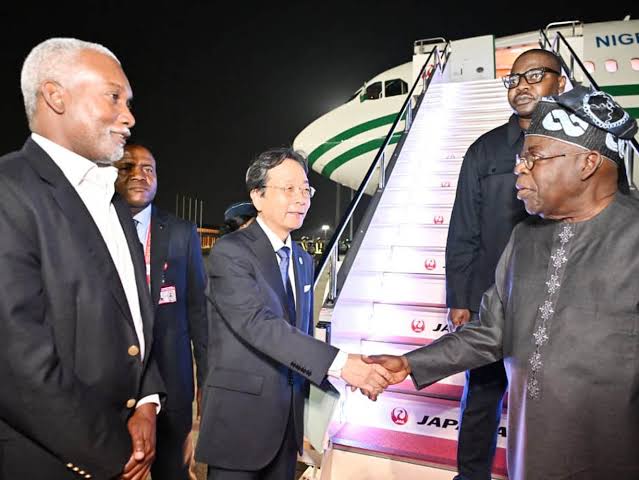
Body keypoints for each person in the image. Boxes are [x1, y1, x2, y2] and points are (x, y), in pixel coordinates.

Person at [366, 86, 639, 479]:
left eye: (533, 157)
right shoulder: (525, 237)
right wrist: (411, 363)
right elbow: (491, 332)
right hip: (530, 455)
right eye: (520, 158)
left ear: (588, 163)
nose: (519, 169)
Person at [0, 38, 164, 479]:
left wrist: (146, 403)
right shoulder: (8, 191)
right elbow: (18, 363)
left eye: (128, 102)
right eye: (114, 97)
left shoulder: (112, 200)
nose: (129, 117)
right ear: (56, 96)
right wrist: (115, 455)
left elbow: (134, 317)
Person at [196, 148, 392, 480]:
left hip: (286, 428)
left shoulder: (301, 259)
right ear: (258, 196)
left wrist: (347, 370)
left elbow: (297, 336)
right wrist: (342, 364)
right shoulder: (231, 252)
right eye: (288, 189)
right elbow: (258, 325)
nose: (301, 198)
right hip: (239, 426)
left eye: (305, 189)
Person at [444, 48, 565, 480]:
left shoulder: (584, 148)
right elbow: (463, 227)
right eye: (513, 79)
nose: (521, 86)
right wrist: (460, 298)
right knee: (481, 397)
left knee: (553, 404)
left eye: (534, 75)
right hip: (492, 302)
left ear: (561, 83)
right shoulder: (484, 150)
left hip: (562, 303)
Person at [115, 144, 208, 480]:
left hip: (173, 383)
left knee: (173, 471)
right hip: (115, 386)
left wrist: (206, 379)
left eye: (148, 169)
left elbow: (199, 312)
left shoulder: (182, 232)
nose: (139, 175)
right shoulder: (95, 229)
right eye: (127, 167)